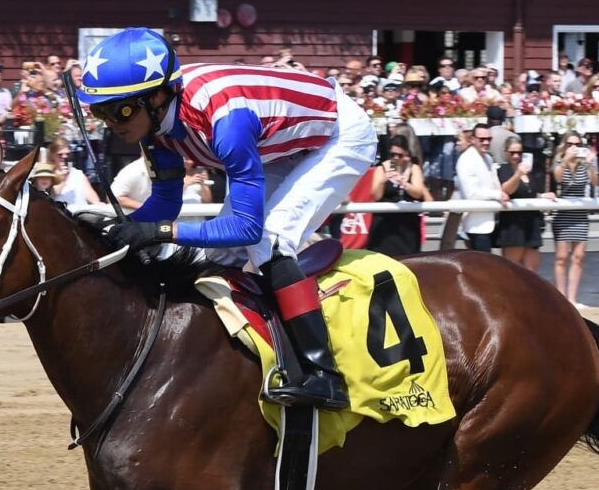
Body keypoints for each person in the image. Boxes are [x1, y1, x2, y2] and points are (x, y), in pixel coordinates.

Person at [77, 26, 377, 410]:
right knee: (222, 258)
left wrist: (159, 232)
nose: (111, 122)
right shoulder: (155, 130)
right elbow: (165, 204)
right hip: (277, 143)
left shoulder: (226, 121)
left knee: (269, 240)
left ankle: (324, 374)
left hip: (337, 134)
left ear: (156, 97)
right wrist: (111, 230)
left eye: (119, 108)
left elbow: (244, 227)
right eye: (99, 111)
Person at [551, 132, 598, 307]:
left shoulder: (584, 163)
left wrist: (591, 164)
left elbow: (595, 183)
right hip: (563, 213)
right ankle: (561, 298)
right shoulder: (558, 161)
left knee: (578, 256)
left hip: (579, 214)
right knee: (561, 257)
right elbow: (558, 178)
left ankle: (572, 298)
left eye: (577, 144)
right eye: (570, 144)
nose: (574, 147)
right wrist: (565, 161)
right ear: (564, 145)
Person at [443, 123, 505, 253]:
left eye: (489, 139)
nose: (486, 142)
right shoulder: (466, 160)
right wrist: (497, 195)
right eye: (482, 139)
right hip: (476, 226)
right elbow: (472, 194)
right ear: (473, 139)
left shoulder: (488, 158)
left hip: (491, 221)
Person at [366, 134, 426, 257]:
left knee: (409, 259)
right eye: (393, 154)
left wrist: (403, 183)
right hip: (385, 223)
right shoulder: (384, 167)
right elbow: (375, 196)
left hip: (407, 224)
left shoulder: (413, 168)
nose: (395, 158)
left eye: (399, 155)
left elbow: (418, 192)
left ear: (407, 155)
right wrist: (383, 180)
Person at [497, 140, 549, 273]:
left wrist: (543, 196)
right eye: (512, 153)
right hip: (513, 225)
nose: (516, 156)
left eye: (519, 153)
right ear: (506, 153)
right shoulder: (503, 169)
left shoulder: (529, 171)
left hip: (531, 223)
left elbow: (531, 193)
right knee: (512, 271)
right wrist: (518, 174)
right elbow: (507, 190)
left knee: (532, 272)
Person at [43, 138, 101, 207]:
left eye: (67, 154)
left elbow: (93, 198)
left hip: (78, 213)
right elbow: (53, 194)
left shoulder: (77, 174)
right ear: (52, 156)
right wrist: (63, 180)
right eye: (60, 155)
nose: (64, 157)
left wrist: (98, 204)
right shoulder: (47, 174)